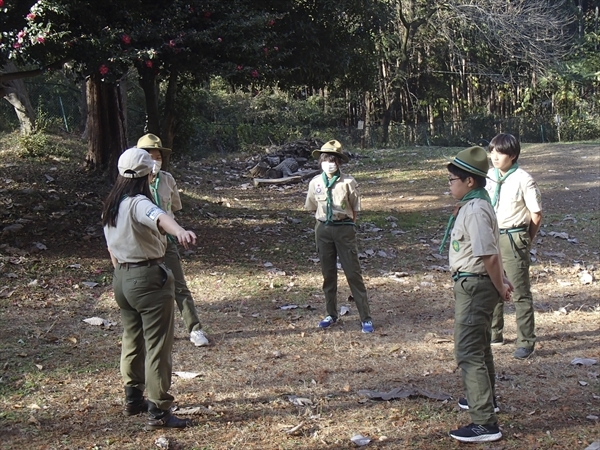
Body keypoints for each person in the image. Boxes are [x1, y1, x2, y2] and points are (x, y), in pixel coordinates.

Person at [102, 147, 196, 430]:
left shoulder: (112, 203)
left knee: (132, 338)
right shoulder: (137, 201)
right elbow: (157, 216)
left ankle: (133, 398)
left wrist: (121, 271)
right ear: (147, 173)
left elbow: (110, 247)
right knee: (157, 345)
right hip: (147, 278)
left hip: (122, 277)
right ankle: (159, 410)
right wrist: (179, 231)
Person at [439, 146, 513, 443]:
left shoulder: (477, 209)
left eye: (453, 179)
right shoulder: (473, 204)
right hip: (474, 284)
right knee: (480, 347)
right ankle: (485, 399)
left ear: (470, 181)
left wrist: (500, 285)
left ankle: (485, 423)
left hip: (476, 286)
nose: (450, 184)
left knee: (468, 351)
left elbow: (489, 255)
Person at [136, 133, 209, 347]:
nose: (155, 161)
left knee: (179, 285)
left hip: (166, 241)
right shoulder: (133, 184)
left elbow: (173, 208)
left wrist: (177, 231)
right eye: (150, 156)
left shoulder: (167, 179)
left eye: (158, 156)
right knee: (146, 288)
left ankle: (195, 329)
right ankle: (146, 332)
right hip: (144, 243)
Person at [304, 140, 374, 333]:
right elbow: (312, 207)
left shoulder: (348, 182)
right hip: (323, 229)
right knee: (328, 274)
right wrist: (323, 224)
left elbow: (355, 208)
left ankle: (365, 317)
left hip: (344, 229)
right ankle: (331, 313)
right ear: (320, 162)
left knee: (352, 273)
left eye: (334, 160)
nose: (330, 163)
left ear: (340, 162)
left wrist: (349, 224)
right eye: (326, 159)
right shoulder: (315, 182)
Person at [486, 133, 542, 360]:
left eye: (499, 153)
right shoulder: (489, 176)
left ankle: (526, 341)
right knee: (492, 286)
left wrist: (526, 238)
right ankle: (494, 333)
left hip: (513, 236)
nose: (494, 157)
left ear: (513, 155)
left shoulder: (523, 179)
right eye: (492, 151)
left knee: (519, 291)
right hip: (491, 236)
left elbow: (536, 214)